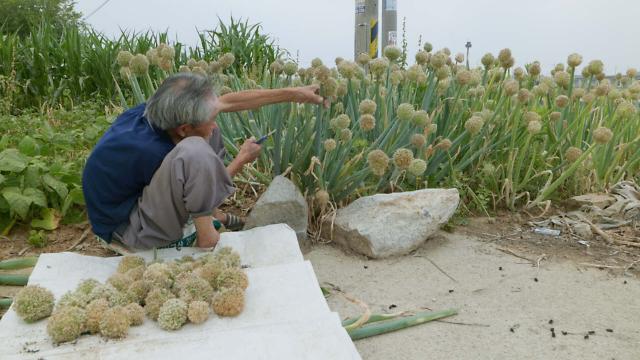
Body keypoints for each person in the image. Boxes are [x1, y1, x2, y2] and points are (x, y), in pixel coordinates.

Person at [82, 72, 324, 252]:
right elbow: (195, 189)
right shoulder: (150, 151)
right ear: (184, 128)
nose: (216, 120)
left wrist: (294, 94)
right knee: (196, 149)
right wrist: (241, 160)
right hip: (129, 231)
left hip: (137, 198)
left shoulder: (156, 111)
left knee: (207, 133)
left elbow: (227, 102)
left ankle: (213, 215)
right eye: (210, 117)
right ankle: (206, 235)